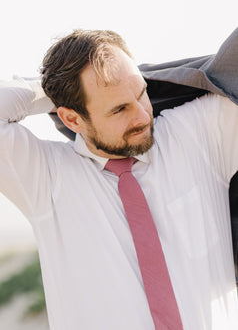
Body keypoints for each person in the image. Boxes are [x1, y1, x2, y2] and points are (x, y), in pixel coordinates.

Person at [0, 29, 238, 330]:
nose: (141, 116)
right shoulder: (45, 178)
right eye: (119, 108)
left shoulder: (198, 133)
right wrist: (50, 90)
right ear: (72, 119)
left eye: (141, 93)